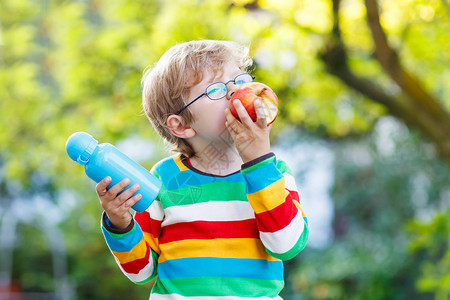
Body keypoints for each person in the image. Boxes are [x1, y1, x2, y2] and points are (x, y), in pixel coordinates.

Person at [96, 40, 309, 299]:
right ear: (181, 125)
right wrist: (120, 223)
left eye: (240, 80)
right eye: (216, 90)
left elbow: (286, 246)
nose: (236, 92)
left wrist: (258, 162)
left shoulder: (274, 173)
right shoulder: (165, 178)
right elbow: (141, 271)